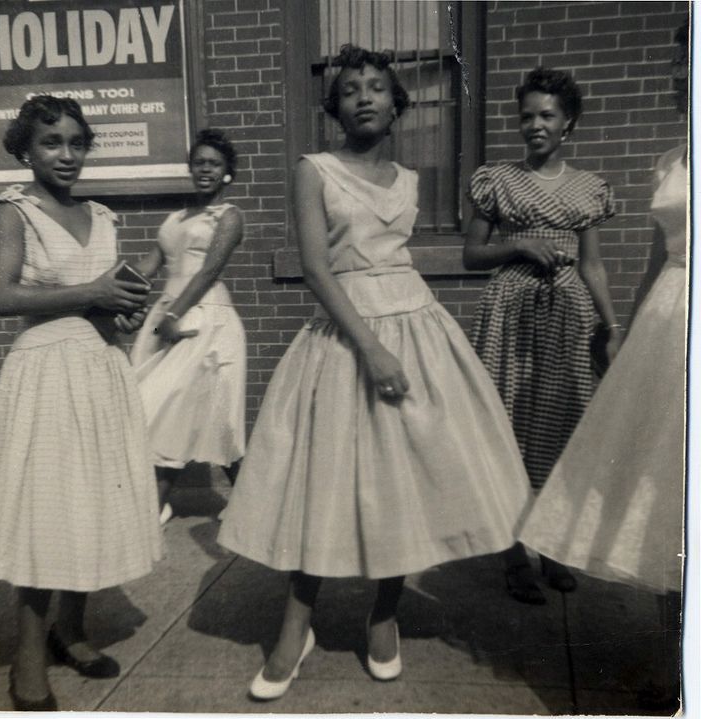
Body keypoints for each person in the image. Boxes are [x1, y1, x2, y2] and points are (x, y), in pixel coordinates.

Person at [217, 44, 532, 701]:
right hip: (346, 337)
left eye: (377, 87)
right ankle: (294, 625)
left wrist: (401, 342)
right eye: (351, 88)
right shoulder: (314, 170)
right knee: (323, 482)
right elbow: (317, 269)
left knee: (405, 480)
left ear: (396, 105)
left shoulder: (410, 180)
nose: (364, 96)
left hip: (417, 325)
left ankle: (383, 612)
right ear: (334, 105)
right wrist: (371, 348)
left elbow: (398, 260)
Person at [0, 96, 162, 711]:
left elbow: (102, 298)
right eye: (53, 143)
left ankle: (70, 632)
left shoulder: (101, 216)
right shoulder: (14, 211)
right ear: (26, 147)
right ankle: (28, 659)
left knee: (93, 510)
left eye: (78, 143)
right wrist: (93, 290)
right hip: (46, 372)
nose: (68, 155)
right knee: (46, 517)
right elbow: (1, 296)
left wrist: (122, 307)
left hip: (102, 368)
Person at [519, 21, 688, 710]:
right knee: (665, 503)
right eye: (679, 61)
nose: (679, 76)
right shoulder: (673, 158)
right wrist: (625, 332)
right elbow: (655, 256)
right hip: (667, 327)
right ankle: (678, 667)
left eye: (690, 61)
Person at [464, 67, 620, 604]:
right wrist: (518, 247)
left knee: (563, 429)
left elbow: (593, 266)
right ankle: (512, 556)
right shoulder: (497, 180)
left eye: (546, 115)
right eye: (526, 115)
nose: (535, 125)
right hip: (510, 312)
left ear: (567, 122)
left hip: (570, 315)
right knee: (506, 428)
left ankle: (551, 548)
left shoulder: (588, 189)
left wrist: (612, 325)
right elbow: (471, 253)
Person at [130, 129, 246, 523]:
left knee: (209, 415)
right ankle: (159, 501)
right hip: (167, 319)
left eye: (214, 164)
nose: (205, 170)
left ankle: (247, 501)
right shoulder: (176, 219)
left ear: (227, 172)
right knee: (161, 408)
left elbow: (208, 271)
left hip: (206, 319)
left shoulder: (228, 217)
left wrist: (175, 314)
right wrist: (109, 290)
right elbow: (148, 267)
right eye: (199, 163)